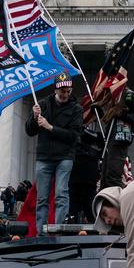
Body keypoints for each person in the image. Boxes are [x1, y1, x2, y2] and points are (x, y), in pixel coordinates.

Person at [25, 72, 82, 235]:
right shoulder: (42, 104)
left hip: (65, 157)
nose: (65, 94)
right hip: (44, 157)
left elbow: (74, 136)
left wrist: (50, 127)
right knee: (42, 198)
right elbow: (30, 131)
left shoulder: (76, 109)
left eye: (68, 91)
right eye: (62, 90)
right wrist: (34, 117)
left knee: (61, 194)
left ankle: (59, 230)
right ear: (55, 89)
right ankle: (41, 233)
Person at [100, 88, 134, 188]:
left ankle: (119, 202)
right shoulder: (112, 96)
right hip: (110, 142)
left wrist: (123, 114)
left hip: (120, 141)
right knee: (105, 178)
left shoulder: (128, 95)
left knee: (113, 178)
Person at [68, 127, 105, 223]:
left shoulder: (96, 139)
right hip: (78, 180)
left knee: (88, 208)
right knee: (76, 208)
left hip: (86, 180)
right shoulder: (79, 137)